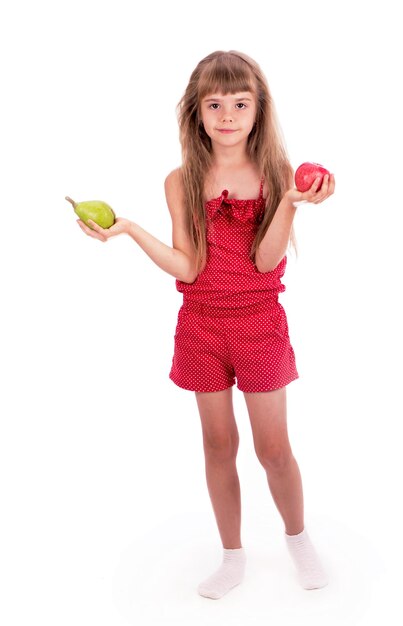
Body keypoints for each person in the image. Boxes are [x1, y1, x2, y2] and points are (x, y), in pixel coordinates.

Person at [77, 50, 335, 600]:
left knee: (274, 450)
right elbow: (188, 265)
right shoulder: (181, 180)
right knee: (218, 446)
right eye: (213, 104)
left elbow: (266, 262)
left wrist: (288, 201)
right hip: (201, 325)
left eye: (239, 103)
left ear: (258, 109)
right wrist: (127, 229)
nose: (226, 115)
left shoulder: (277, 174)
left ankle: (298, 537)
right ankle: (232, 555)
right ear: (195, 111)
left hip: (260, 323)